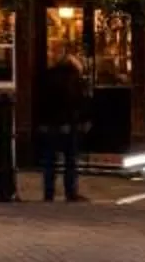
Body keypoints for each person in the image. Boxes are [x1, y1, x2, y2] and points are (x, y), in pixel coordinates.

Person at [34, 49, 92, 202]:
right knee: (70, 161)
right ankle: (70, 192)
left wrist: (40, 122)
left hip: (49, 125)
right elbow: (80, 102)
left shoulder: (46, 77)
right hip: (68, 125)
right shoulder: (75, 80)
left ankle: (48, 193)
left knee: (49, 161)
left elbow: (38, 101)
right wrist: (84, 121)